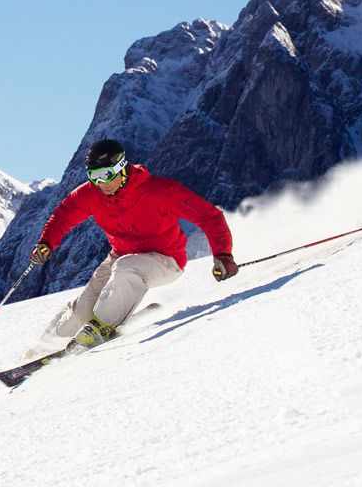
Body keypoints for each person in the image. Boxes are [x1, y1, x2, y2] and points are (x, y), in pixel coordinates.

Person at [30, 139, 238, 348]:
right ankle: (48, 344)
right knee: (81, 312)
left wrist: (223, 255)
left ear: (120, 166)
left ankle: (103, 325)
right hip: (120, 255)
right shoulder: (91, 193)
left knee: (126, 269)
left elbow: (209, 217)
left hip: (166, 260)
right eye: (93, 176)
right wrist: (47, 242)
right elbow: (63, 215)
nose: (101, 183)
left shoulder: (160, 191)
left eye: (106, 174)